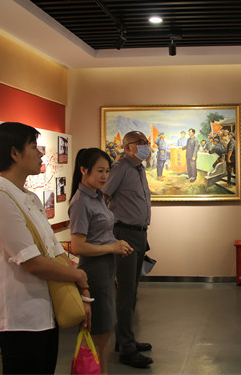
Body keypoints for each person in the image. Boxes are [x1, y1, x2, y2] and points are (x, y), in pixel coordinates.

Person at [0, 122, 90, 374]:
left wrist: (81, 291)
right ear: (14, 153)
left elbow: (53, 250)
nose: (41, 153)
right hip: (21, 316)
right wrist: (78, 275)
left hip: (45, 310)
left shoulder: (29, 198)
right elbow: (31, 261)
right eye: (33, 146)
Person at [68, 148, 134, 374]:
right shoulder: (80, 202)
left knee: (105, 329)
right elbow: (78, 246)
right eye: (100, 171)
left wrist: (116, 243)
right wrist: (111, 247)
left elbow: (99, 234)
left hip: (106, 268)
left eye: (107, 171)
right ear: (84, 170)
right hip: (93, 272)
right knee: (97, 331)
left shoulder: (97, 197)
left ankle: (102, 371)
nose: (105, 176)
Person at [102, 131, 154, 368]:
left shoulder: (139, 169)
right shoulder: (121, 167)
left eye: (146, 142)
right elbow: (104, 195)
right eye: (141, 143)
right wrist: (105, 229)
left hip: (140, 233)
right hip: (124, 233)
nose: (145, 146)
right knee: (125, 290)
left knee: (132, 290)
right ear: (128, 147)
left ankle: (126, 338)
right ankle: (126, 347)